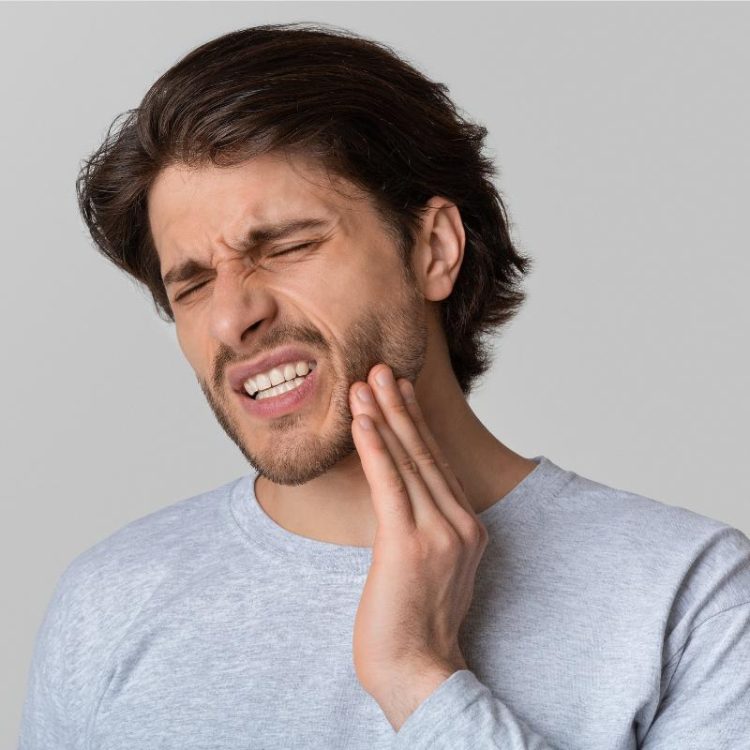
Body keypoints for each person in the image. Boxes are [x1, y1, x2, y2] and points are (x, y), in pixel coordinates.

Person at [19, 22, 749, 749]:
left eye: (287, 247)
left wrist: (419, 678)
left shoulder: (689, 598)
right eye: (194, 284)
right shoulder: (108, 602)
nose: (233, 317)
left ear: (434, 249)